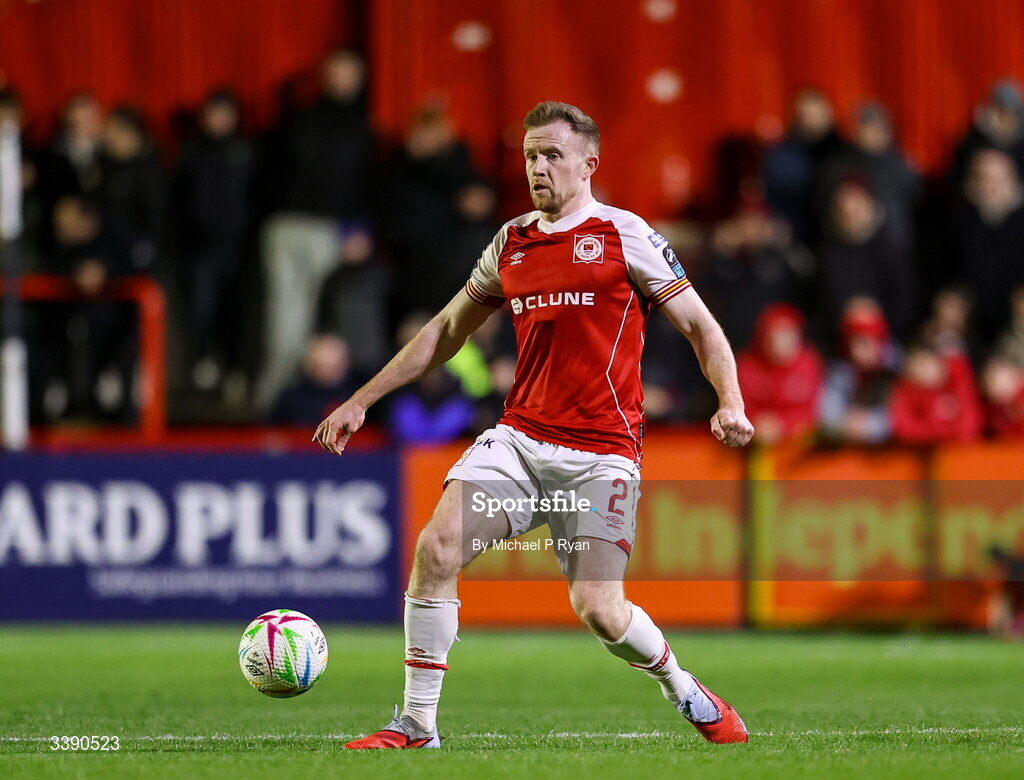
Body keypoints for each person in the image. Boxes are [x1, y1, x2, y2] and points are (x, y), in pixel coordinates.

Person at [314, 102, 753, 748]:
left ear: (589, 163)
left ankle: (682, 687)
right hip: (519, 443)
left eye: (552, 155)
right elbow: (443, 331)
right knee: (436, 549)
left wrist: (731, 401)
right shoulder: (512, 241)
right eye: (529, 156)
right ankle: (415, 724)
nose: (538, 168)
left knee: (599, 610)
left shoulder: (624, 234)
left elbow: (700, 327)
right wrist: (362, 398)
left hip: (602, 454)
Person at [737, 304, 824, 444]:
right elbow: (737, 406)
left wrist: (783, 425)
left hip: (799, 446)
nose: (779, 342)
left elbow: (814, 410)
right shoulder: (747, 365)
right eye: (774, 335)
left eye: (786, 335)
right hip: (754, 442)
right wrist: (754, 423)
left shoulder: (809, 364)